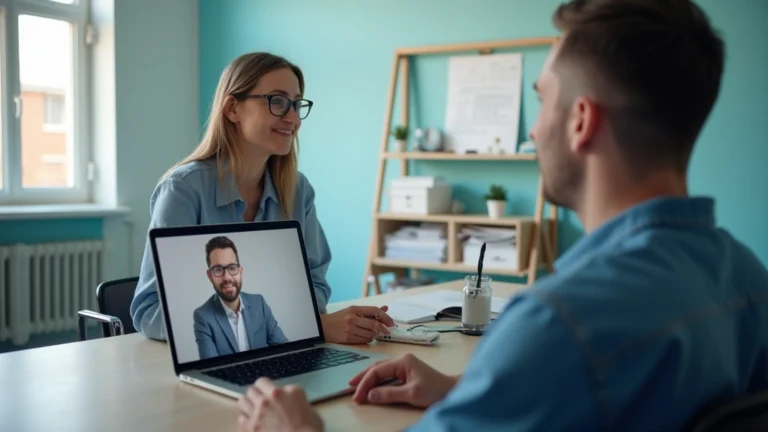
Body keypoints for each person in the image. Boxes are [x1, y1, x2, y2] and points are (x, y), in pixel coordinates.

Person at [235, 0, 768, 431]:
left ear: (581, 122)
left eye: (542, 102)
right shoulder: (748, 278)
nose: (534, 131)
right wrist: (471, 391)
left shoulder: (559, 323)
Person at [130, 52, 395, 346]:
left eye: (296, 104)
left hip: (279, 354)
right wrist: (307, 327)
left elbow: (315, 284)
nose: (293, 118)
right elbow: (150, 312)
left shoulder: (298, 190)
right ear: (233, 108)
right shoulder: (183, 190)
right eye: (278, 101)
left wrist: (289, 324)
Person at [193, 236, 288, 359]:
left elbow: (284, 349)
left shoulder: (259, 303)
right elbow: (211, 369)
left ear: (240, 270)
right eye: (218, 270)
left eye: (232, 268)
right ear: (210, 276)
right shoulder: (203, 316)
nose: (227, 277)